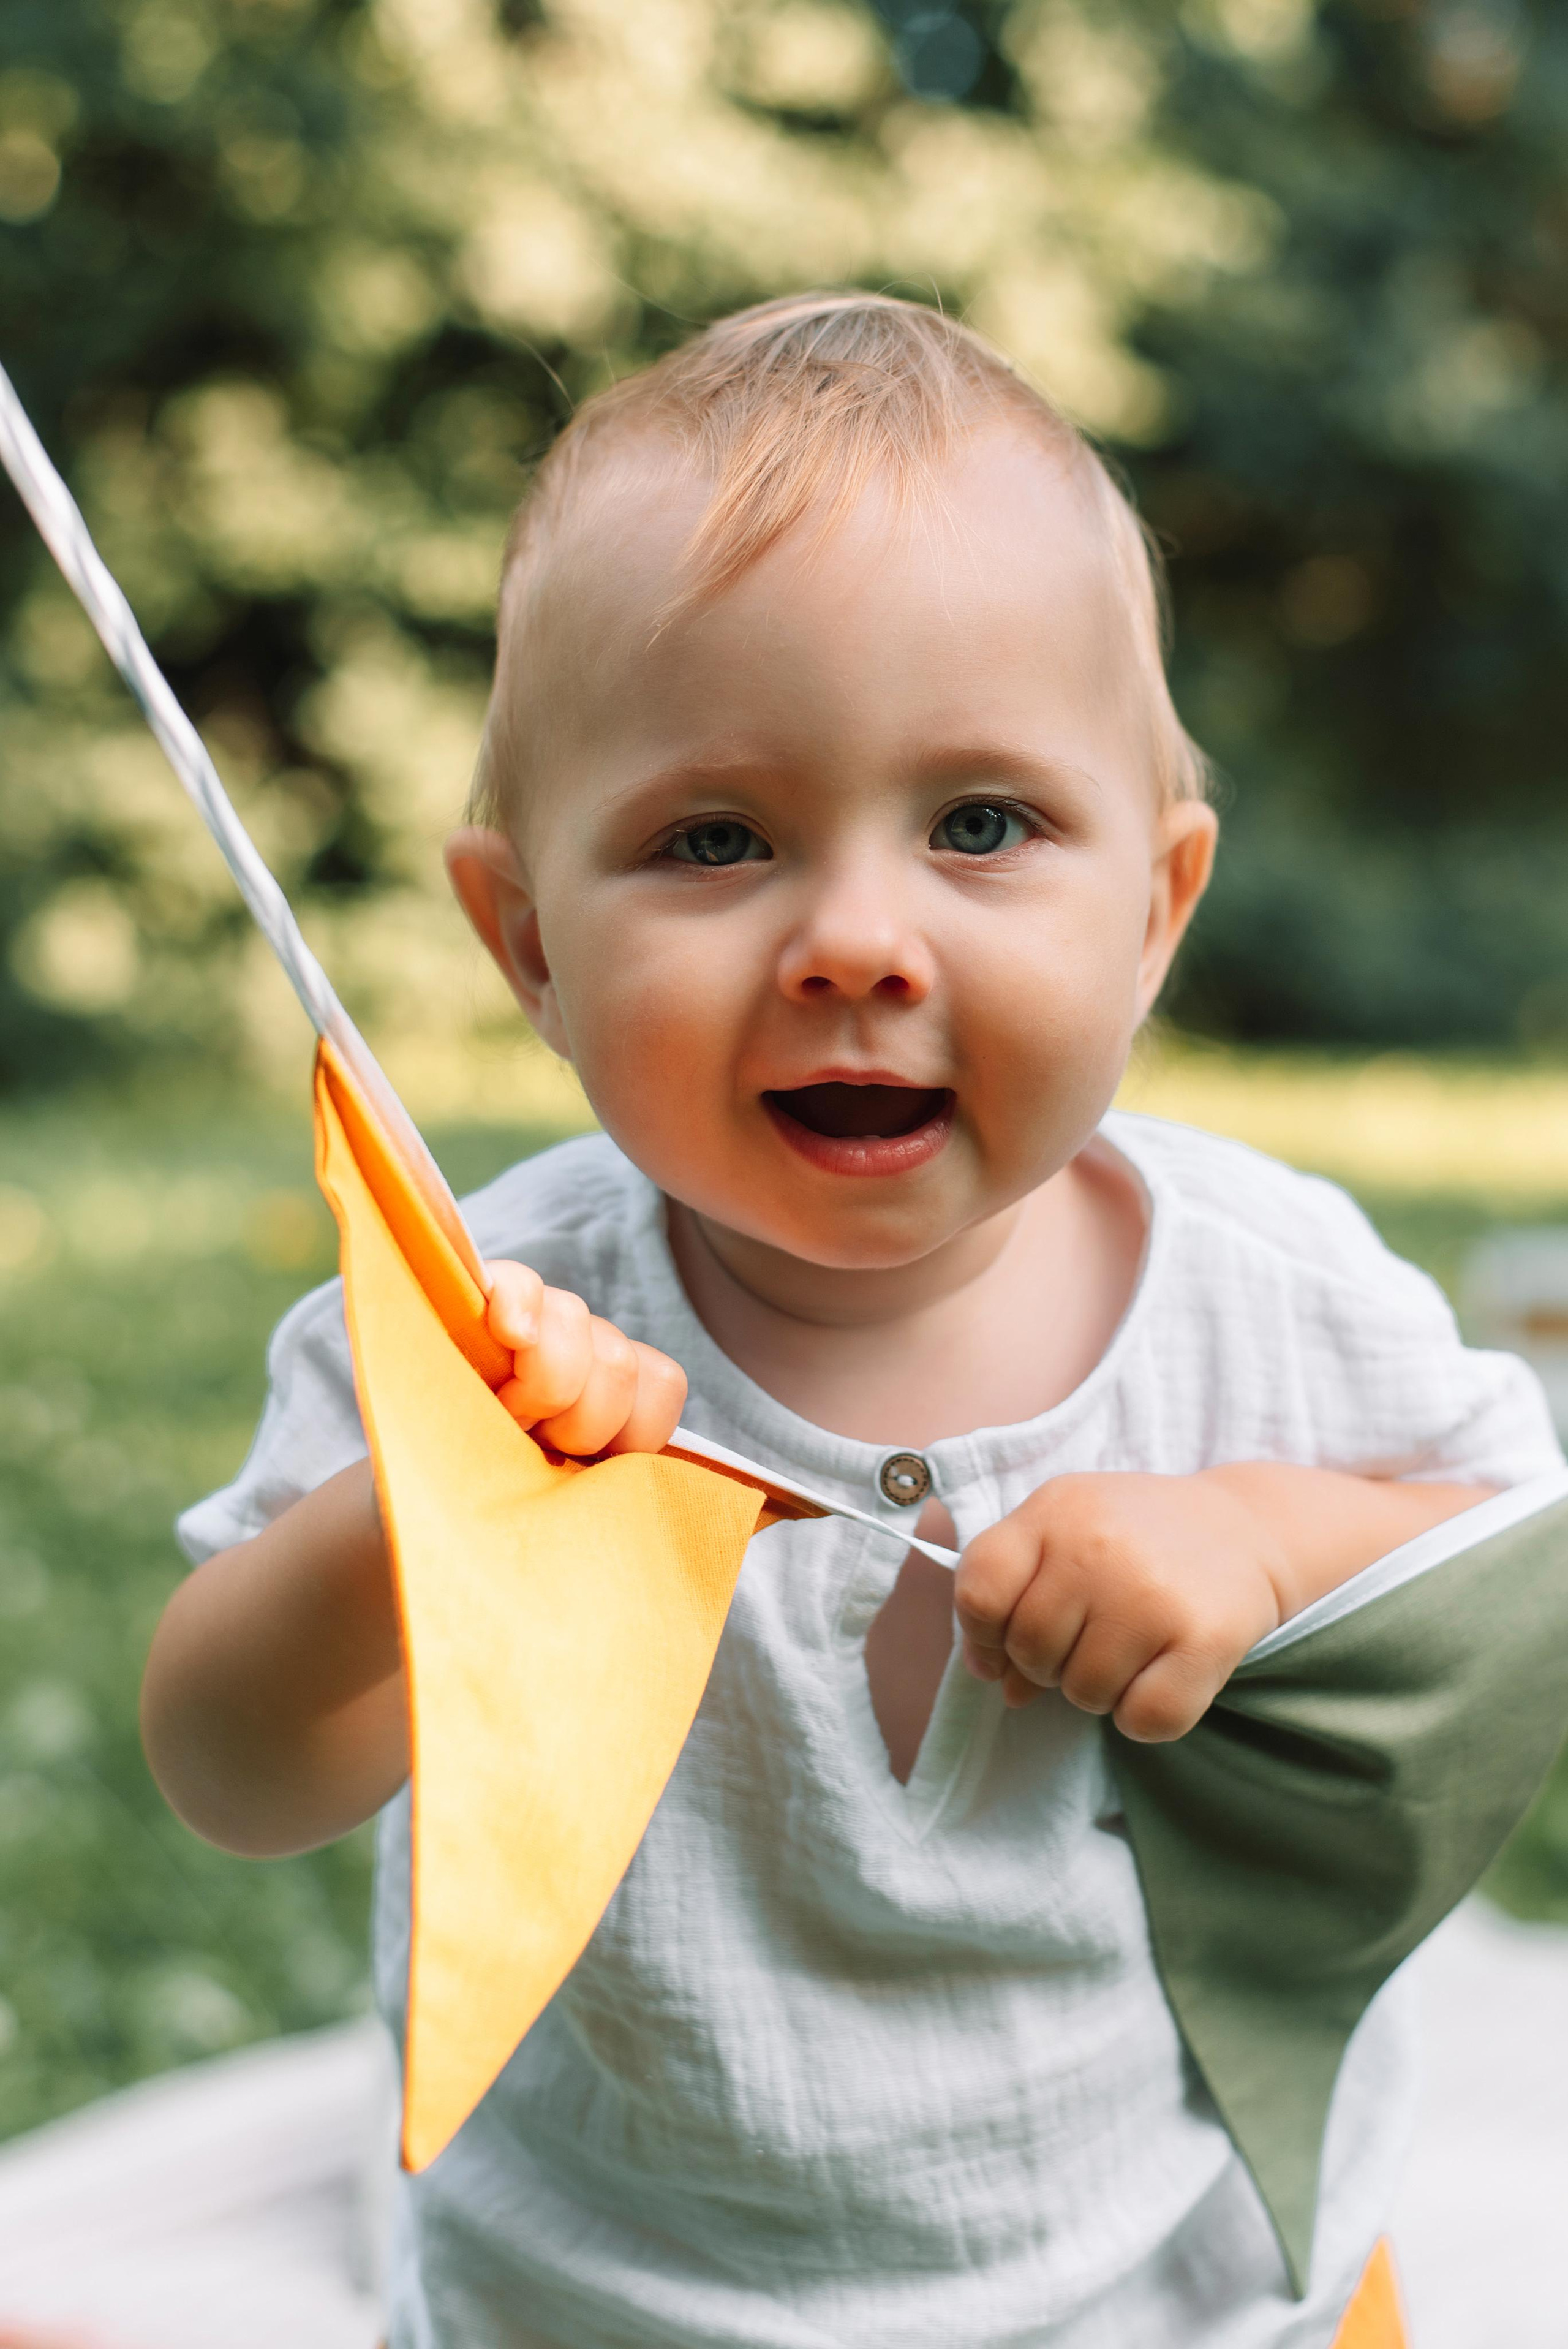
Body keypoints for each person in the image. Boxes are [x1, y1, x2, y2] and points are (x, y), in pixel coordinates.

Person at [140, 294, 1561, 2348]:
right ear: (529, 942)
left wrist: (1261, 1538)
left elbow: (1506, 1550)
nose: (857, 942)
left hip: (1174, 2285)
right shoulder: (478, 1324)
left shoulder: (1273, 1294)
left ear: (1155, 908)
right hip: (606, 2304)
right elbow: (231, 1767)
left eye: (981, 824)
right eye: (714, 840)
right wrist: (428, 1523)